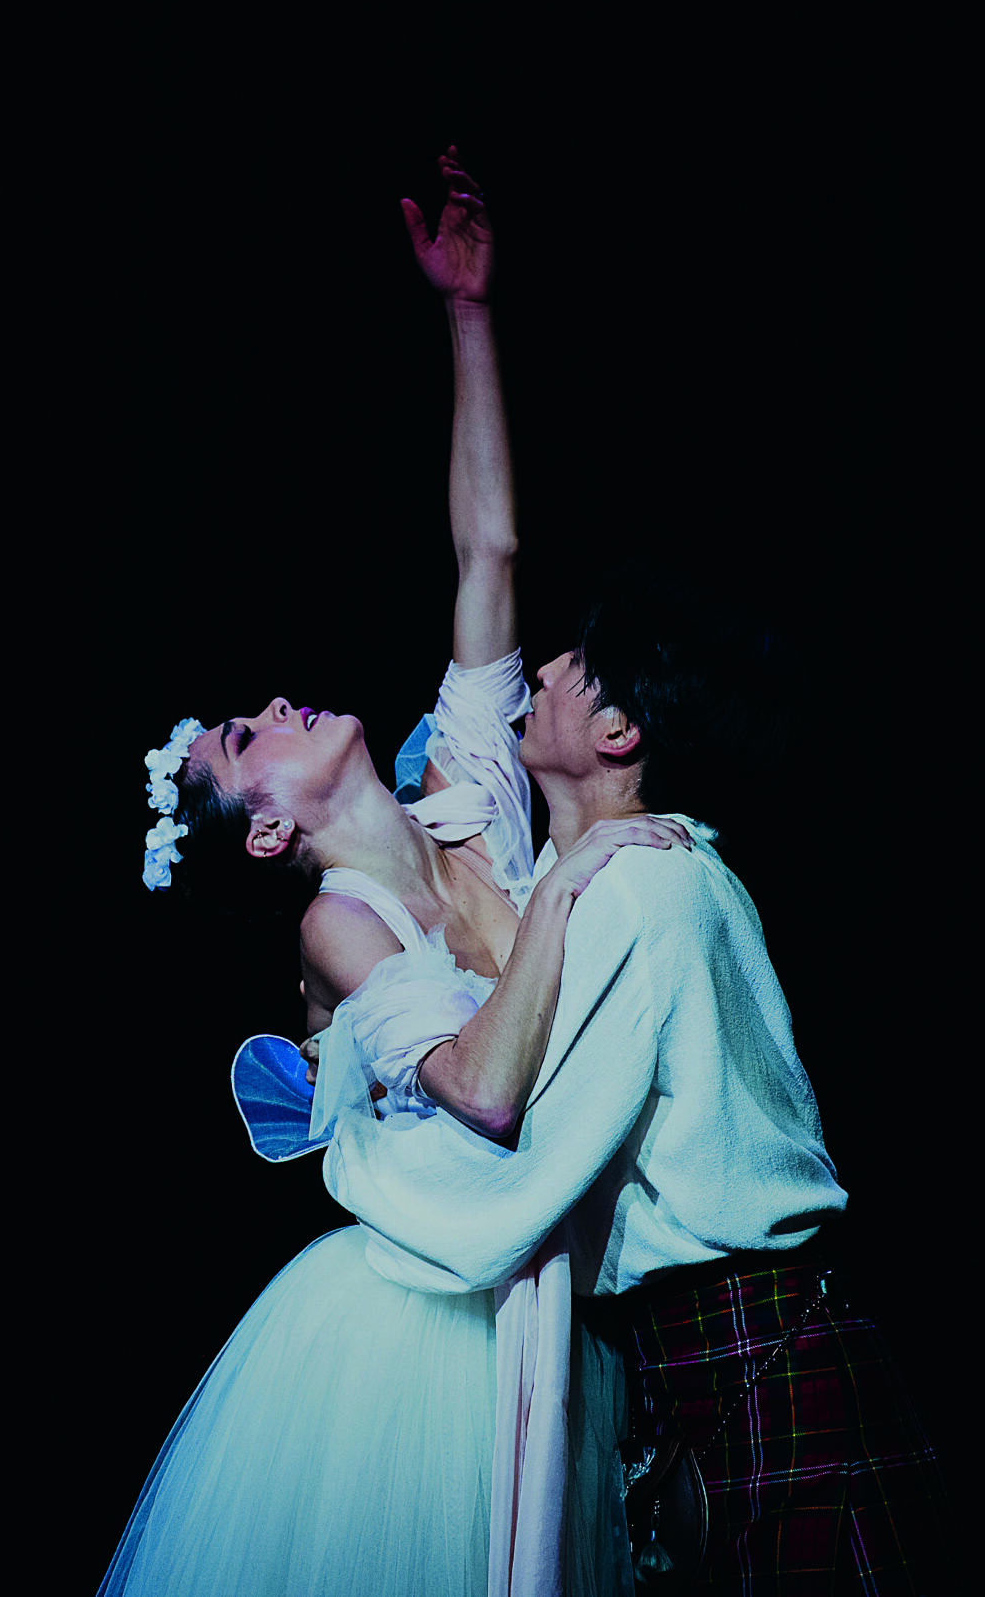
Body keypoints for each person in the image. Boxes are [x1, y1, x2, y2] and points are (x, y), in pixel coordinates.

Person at [106, 150, 671, 1597]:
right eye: (249, 737)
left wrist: (467, 315)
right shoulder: (343, 925)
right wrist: (577, 872)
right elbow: (482, 1090)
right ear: (272, 830)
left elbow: (487, 543)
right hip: (413, 1342)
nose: (277, 704)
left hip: (541, 1311)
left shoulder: (469, 789)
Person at [318, 566, 956, 1590]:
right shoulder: (660, 869)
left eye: (577, 662)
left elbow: (517, 1142)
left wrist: (367, 1167)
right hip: (733, 1346)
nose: (550, 668)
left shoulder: (636, 888)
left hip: (751, 1339)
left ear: (619, 730)